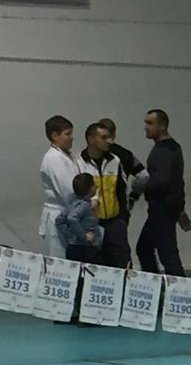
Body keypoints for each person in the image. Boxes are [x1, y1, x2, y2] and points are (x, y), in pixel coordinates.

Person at [136, 108, 186, 275]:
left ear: (162, 125)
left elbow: (162, 182)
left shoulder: (166, 150)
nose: (145, 127)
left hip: (163, 209)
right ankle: (156, 285)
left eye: (150, 123)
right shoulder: (167, 148)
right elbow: (177, 182)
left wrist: (142, 184)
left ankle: (180, 287)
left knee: (167, 254)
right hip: (162, 208)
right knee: (145, 248)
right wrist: (180, 209)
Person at [79, 122, 132, 268]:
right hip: (91, 225)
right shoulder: (78, 162)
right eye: (103, 137)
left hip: (115, 223)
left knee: (121, 265)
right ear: (90, 139)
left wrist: (123, 218)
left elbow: (122, 190)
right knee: (94, 267)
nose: (109, 141)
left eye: (109, 137)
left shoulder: (115, 160)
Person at [39, 114, 80, 258]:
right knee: (59, 262)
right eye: (67, 134)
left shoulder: (69, 155)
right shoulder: (53, 158)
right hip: (59, 216)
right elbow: (68, 191)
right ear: (55, 136)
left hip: (70, 215)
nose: (72, 137)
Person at [55, 172, 102, 263]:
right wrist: (83, 235)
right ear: (91, 188)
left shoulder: (73, 204)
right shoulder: (84, 206)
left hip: (76, 247)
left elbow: (59, 220)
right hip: (87, 250)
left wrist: (70, 236)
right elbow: (72, 218)